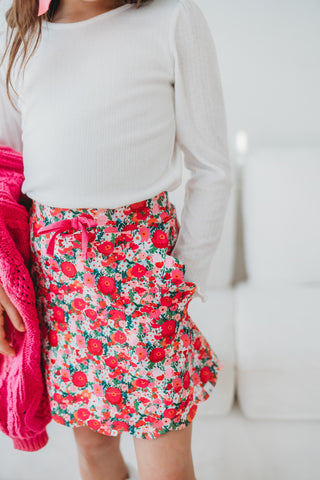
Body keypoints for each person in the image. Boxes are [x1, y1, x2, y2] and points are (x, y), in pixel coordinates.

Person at [0, 0, 233, 479]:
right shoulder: (25, 35)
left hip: (147, 281)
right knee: (94, 450)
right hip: (60, 288)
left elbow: (211, 169)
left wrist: (179, 282)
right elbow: (5, 169)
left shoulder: (171, 20)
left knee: (166, 468)